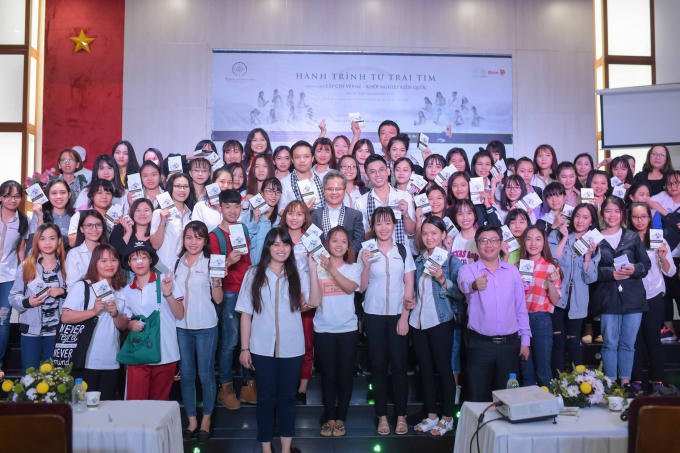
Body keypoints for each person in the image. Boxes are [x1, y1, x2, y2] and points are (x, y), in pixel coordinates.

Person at [236, 228, 309, 453]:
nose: (281, 249)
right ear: (268, 247)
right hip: (261, 348)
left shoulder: (298, 274)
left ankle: (286, 449)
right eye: (275, 244)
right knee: (265, 399)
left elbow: (313, 301)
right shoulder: (253, 274)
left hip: (292, 348)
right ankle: (266, 448)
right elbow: (246, 314)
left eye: (285, 244)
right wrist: (245, 348)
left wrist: (314, 267)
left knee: (288, 398)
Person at [457, 225, 531, 402]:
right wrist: (474, 285)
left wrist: (525, 341)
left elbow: (520, 308)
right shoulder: (468, 270)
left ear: (500, 244)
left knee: (508, 400)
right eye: (483, 240)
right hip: (479, 345)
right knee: (477, 398)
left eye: (493, 240)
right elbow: (464, 284)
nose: (488, 244)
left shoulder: (512, 271)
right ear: (477, 245)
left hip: (509, 346)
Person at [359, 207, 415, 435]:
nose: (383, 228)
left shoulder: (403, 249)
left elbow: (409, 285)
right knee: (378, 366)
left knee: (400, 367)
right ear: (373, 226)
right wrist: (366, 266)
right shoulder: (366, 249)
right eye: (379, 223)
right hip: (373, 315)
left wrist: (405, 317)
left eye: (387, 223)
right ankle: (382, 416)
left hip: (397, 316)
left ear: (394, 225)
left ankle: (401, 416)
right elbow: (361, 287)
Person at [306, 226, 361, 437]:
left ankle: (341, 419)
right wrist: (313, 269)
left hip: (347, 329)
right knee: (328, 376)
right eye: (334, 240)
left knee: (345, 376)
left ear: (348, 247)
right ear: (327, 244)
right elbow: (313, 299)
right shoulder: (318, 267)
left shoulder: (353, 268)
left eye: (343, 241)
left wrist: (331, 268)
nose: (339, 245)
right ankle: (329, 419)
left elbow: (349, 288)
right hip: (324, 328)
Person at [411, 216, 462, 437]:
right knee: (425, 369)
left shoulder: (451, 262)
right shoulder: (418, 261)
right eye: (425, 233)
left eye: (434, 233)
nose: (429, 237)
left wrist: (442, 279)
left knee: (443, 368)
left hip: (440, 321)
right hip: (417, 321)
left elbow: (461, 294)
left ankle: (447, 417)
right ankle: (431, 415)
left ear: (443, 235)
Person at [174, 221, 223, 440]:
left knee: (205, 374)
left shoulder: (212, 262)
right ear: (183, 239)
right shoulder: (177, 262)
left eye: (198, 237)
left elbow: (218, 300)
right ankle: (192, 420)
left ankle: (206, 420)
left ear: (205, 241)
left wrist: (217, 283)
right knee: (186, 374)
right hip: (181, 326)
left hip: (206, 326)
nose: (193, 242)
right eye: (189, 237)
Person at [594, 196, 651, 385]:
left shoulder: (632, 237)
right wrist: (610, 273)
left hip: (633, 298)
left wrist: (634, 269)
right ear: (602, 213)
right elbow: (588, 271)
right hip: (608, 298)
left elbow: (646, 264)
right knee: (609, 343)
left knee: (628, 343)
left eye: (616, 211)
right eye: (608, 211)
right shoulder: (595, 237)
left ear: (622, 214)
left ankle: (625, 383)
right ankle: (610, 384)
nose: (612, 215)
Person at [61, 244, 128, 400]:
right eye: (103, 260)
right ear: (94, 263)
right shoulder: (82, 286)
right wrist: (93, 311)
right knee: (84, 407)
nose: (109, 264)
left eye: (113, 260)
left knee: (107, 407)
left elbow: (123, 326)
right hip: (85, 360)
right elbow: (65, 316)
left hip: (111, 360)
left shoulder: (121, 289)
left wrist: (115, 314)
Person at [209, 189, 256, 408]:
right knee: (230, 341)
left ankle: (248, 385)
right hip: (228, 291)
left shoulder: (242, 228)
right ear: (220, 207)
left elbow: (248, 260)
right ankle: (226, 387)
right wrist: (228, 261)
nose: (232, 211)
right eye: (227, 206)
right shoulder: (214, 236)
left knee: (249, 339)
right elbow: (214, 270)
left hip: (247, 289)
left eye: (236, 206)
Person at [122, 242, 184, 400]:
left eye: (144, 257)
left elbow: (180, 314)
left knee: (159, 405)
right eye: (134, 258)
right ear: (129, 263)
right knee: (135, 403)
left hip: (166, 354)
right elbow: (124, 321)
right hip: (138, 354)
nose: (140, 262)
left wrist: (168, 294)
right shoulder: (127, 290)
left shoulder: (165, 281)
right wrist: (130, 324)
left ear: (151, 260)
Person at [629, 203, 676, 394]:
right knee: (634, 340)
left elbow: (671, 272)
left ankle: (658, 381)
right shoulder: (627, 239)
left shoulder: (658, 239)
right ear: (630, 219)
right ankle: (636, 380)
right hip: (632, 296)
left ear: (649, 218)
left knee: (653, 339)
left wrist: (663, 257)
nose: (639, 221)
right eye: (635, 217)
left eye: (643, 216)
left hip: (654, 295)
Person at [548, 203, 600, 372]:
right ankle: (556, 381)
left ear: (591, 221)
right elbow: (553, 260)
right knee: (557, 342)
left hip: (578, 300)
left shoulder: (594, 244)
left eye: (585, 217)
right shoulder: (558, 234)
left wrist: (588, 256)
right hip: (557, 297)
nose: (580, 221)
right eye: (577, 216)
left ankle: (578, 381)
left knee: (573, 342)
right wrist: (564, 238)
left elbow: (590, 278)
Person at [9, 223, 67, 371]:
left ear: (59, 240)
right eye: (42, 238)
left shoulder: (65, 266)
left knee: (54, 375)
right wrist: (27, 302)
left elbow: (76, 296)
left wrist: (62, 291)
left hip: (56, 332)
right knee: (30, 375)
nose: (47, 242)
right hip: (31, 331)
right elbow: (13, 296)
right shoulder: (27, 265)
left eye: (52, 238)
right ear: (36, 241)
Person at [520, 226, 562, 387]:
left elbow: (555, 300)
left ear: (544, 242)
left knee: (543, 370)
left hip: (541, 319)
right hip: (520, 321)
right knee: (525, 370)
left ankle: (548, 401)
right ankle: (528, 402)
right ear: (524, 242)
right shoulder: (517, 266)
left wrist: (550, 282)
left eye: (538, 239)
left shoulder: (550, 267)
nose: (533, 243)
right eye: (529, 239)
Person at [355, 155, 415, 246]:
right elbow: (361, 237)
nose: (378, 174)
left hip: (403, 252)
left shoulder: (405, 196)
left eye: (381, 170)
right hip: (375, 253)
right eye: (373, 172)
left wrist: (406, 214)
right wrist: (374, 228)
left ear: (388, 171)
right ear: (367, 176)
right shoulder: (361, 202)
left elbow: (412, 232)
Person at [648, 170, 680, 338]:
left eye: (677, 183)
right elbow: (649, 206)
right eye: (669, 184)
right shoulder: (659, 198)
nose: (673, 186)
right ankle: (668, 329)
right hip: (665, 253)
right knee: (666, 293)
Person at [311, 171, 364, 256]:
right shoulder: (314, 215)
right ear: (323, 191)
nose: (334, 192)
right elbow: (311, 241)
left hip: (347, 261)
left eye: (338, 189)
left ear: (344, 191)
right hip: (321, 261)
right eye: (330, 189)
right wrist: (324, 259)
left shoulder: (355, 215)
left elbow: (359, 241)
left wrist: (341, 257)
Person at [150, 172, 195, 271]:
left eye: (185, 186)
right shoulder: (159, 213)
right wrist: (163, 222)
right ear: (171, 188)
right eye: (178, 186)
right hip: (163, 268)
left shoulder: (192, 214)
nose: (182, 190)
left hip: (185, 270)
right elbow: (155, 245)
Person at [68, 179, 117, 248]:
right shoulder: (80, 215)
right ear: (91, 196)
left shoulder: (117, 215)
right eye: (99, 193)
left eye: (108, 193)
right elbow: (72, 242)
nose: (104, 197)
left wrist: (119, 228)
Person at [27, 179, 73, 252]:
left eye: (63, 193)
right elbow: (34, 243)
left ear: (69, 195)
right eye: (54, 193)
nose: (58, 196)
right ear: (48, 196)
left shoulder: (76, 216)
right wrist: (40, 216)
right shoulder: (39, 215)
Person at [65, 210, 107, 289]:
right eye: (89, 225)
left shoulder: (109, 251)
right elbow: (71, 286)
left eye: (98, 225)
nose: (94, 229)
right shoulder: (74, 254)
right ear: (81, 229)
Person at [279, 140, 326, 211]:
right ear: (292, 160)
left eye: (306, 156)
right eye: (297, 157)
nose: (302, 160)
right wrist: (302, 211)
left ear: (312, 158)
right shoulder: (284, 183)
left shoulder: (323, 179)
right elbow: (281, 210)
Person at [245, 177, 282, 265]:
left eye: (277, 192)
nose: (274, 195)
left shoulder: (279, 222)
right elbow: (244, 244)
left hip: (270, 268)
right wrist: (255, 222)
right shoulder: (249, 216)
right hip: (249, 267)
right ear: (261, 193)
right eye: (269, 191)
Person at [191, 166, 233, 233]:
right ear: (213, 182)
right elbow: (196, 232)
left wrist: (220, 209)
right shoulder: (201, 206)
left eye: (230, 182)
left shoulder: (235, 206)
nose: (226, 186)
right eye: (222, 182)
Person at [448, 199, 479, 265]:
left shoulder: (483, 238)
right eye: (460, 214)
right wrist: (448, 249)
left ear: (475, 215)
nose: (465, 217)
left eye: (469, 213)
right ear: (455, 217)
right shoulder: (451, 240)